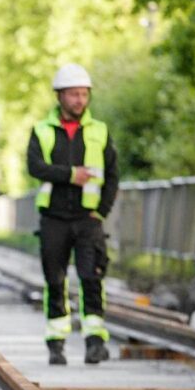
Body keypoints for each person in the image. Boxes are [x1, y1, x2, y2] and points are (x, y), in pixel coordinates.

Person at [27, 63, 118, 365]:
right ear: (60, 97)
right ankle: (56, 343)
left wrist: (101, 212)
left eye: (83, 94)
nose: (80, 100)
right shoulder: (42, 131)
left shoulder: (99, 132)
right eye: (73, 95)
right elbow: (35, 167)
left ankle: (95, 343)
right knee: (55, 279)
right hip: (53, 219)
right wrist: (70, 175)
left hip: (87, 219)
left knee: (91, 279)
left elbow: (113, 175)